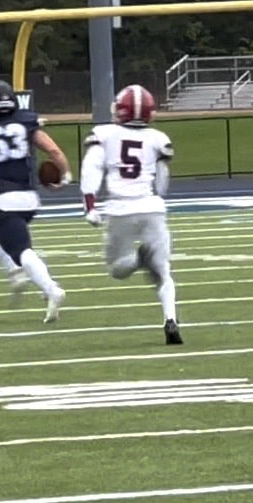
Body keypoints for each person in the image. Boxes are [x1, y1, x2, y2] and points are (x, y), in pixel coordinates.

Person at [0, 79, 71, 322]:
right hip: (29, 198)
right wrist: (65, 175)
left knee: (22, 250)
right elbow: (54, 151)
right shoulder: (26, 122)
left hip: (4, 198)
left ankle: (51, 289)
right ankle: (15, 271)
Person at [80, 84, 184, 344]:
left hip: (120, 208)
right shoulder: (158, 138)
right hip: (151, 207)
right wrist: (156, 197)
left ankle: (139, 259)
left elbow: (91, 169)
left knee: (117, 269)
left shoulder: (104, 134)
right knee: (163, 271)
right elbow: (162, 182)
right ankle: (170, 318)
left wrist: (90, 205)